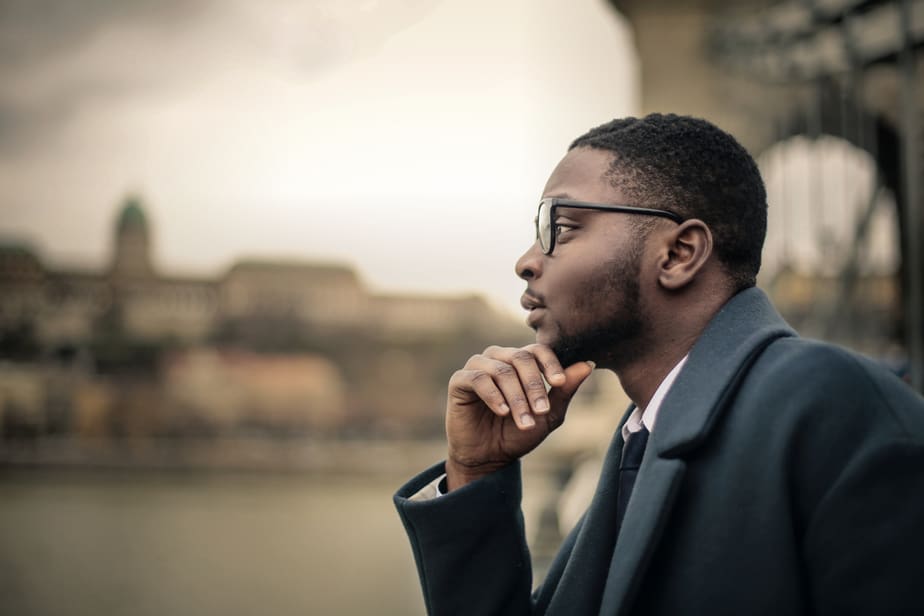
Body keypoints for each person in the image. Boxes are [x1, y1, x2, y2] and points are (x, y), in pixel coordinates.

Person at [393, 113, 924, 615]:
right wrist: (476, 472)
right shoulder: (642, 436)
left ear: (678, 254)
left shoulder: (834, 406)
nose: (527, 261)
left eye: (563, 227)